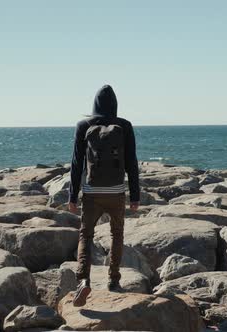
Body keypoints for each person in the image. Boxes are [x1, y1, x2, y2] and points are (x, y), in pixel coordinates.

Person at [68, 84, 140, 307]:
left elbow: (76, 164)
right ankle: (113, 281)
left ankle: (83, 281)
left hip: (92, 192)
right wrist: (135, 196)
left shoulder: (84, 125)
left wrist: (72, 195)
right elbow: (132, 162)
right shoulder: (124, 126)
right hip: (116, 191)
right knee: (117, 234)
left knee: (85, 235)